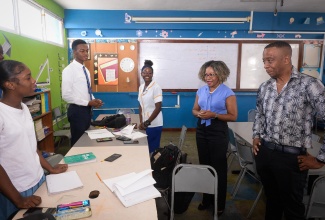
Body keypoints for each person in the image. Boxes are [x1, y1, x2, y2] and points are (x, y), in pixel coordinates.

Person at [252, 41, 325, 220]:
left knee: (292, 208)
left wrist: (321, 159)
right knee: (271, 202)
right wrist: (256, 136)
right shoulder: (265, 87)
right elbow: (259, 115)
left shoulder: (309, 85)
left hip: (292, 159)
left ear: (286, 59)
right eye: (264, 61)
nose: (265, 65)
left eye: (270, 60)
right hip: (265, 153)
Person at [0, 60, 68, 219]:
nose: (34, 81)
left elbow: (31, 147)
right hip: (14, 190)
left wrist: (49, 169)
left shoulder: (23, 107)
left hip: (37, 179)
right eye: (28, 78)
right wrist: (18, 199)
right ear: (10, 84)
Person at [192, 60, 237, 216]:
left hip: (218, 132)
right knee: (205, 166)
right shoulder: (201, 91)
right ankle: (207, 199)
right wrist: (198, 113)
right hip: (201, 130)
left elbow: (233, 116)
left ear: (220, 74)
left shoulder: (227, 93)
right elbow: (194, 109)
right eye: (206, 74)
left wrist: (215, 115)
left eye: (211, 74)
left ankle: (219, 203)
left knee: (218, 168)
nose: (208, 78)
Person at [62, 39, 103, 146]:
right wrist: (88, 103)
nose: (85, 53)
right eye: (82, 51)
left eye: (87, 50)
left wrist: (93, 100)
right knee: (78, 142)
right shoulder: (69, 70)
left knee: (86, 140)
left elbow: (87, 90)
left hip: (86, 111)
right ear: (74, 52)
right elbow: (66, 95)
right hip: (77, 111)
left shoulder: (86, 70)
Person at [138, 60, 163, 153]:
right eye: (144, 72)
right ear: (141, 74)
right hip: (145, 123)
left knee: (153, 150)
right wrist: (141, 122)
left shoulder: (156, 87)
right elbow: (140, 105)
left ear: (152, 74)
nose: (147, 74)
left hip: (154, 124)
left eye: (149, 73)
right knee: (145, 148)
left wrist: (147, 122)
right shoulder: (141, 87)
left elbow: (158, 107)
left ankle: (153, 167)